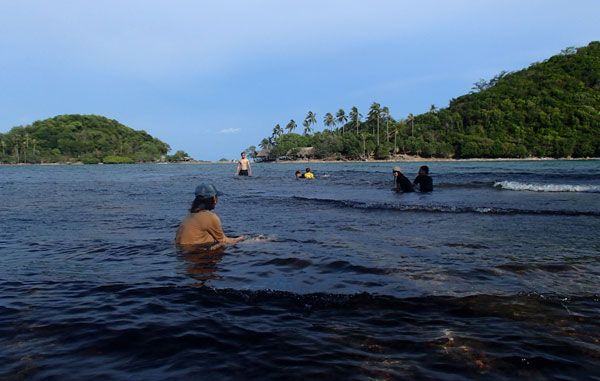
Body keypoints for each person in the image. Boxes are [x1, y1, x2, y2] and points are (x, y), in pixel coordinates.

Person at [175, 183, 246, 247]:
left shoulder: (190, 214)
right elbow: (222, 240)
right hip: (197, 254)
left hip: (182, 253)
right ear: (214, 198)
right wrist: (241, 239)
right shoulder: (211, 217)